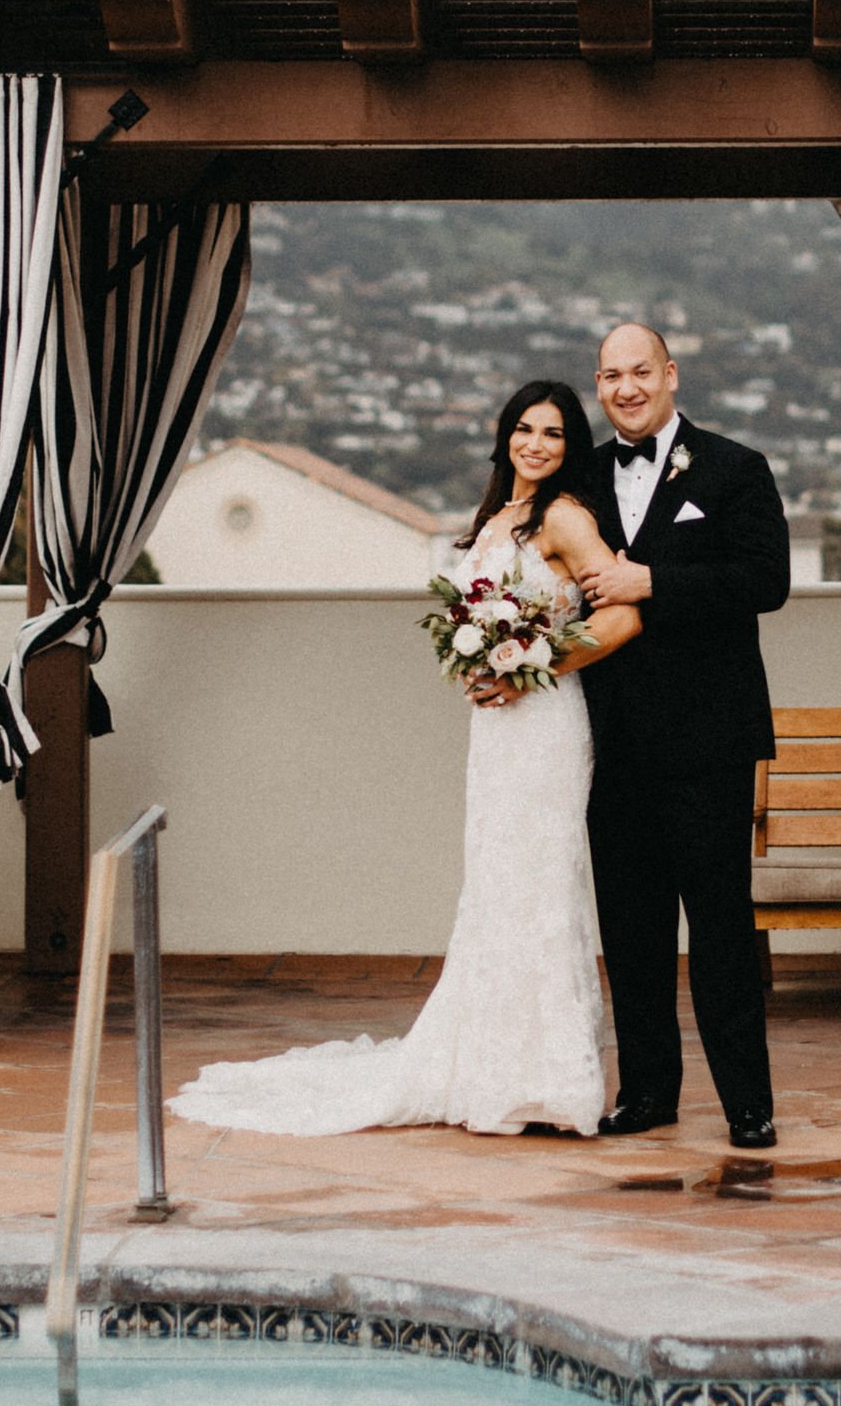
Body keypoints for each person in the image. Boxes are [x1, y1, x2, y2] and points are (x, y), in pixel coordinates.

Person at [167, 383, 639, 1141]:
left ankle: (545, 1078)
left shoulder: (564, 517)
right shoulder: (497, 519)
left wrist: (541, 658)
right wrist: (478, 657)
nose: (537, 444)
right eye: (524, 429)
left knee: (539, 882)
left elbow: (621, 612)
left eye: (553, 433)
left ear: (569, 447)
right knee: (493, 883)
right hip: (496, 732)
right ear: (504, 437)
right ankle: (489, 1064)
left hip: (547, 724)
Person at [575, 322, 791, 1150]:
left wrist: (651, 582)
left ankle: (747, 1103)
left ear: (671, 374)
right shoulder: (584, 476)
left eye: (639, 371)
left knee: (720, 928)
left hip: (708, 740)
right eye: (608, 376)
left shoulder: (736, 468)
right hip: (610, 744)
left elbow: (763, 581)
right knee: (629, 931)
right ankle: (647, 1094)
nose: (625, 388)